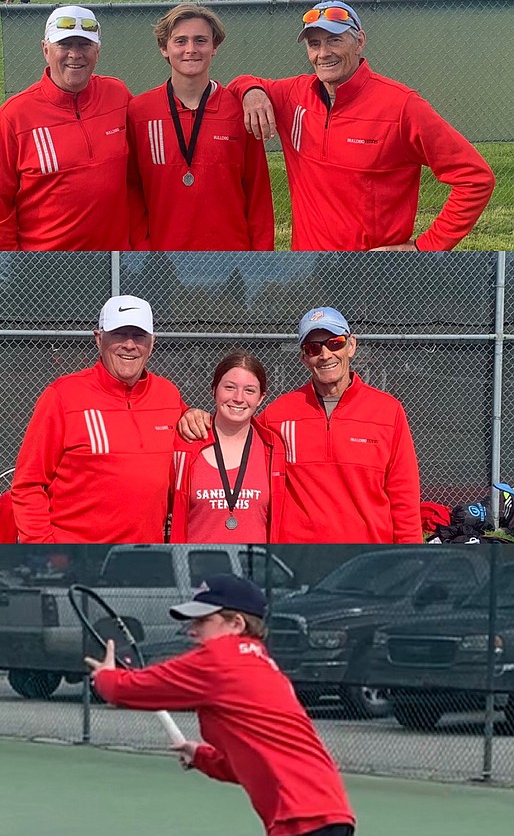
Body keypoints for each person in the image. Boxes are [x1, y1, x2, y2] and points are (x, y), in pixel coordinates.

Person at [87, 574, 356, 836]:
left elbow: (123, 690)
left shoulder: (219, 659)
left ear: (237, 623)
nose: (192, 629)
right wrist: (201, 756)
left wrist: (104, 676)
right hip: (324, 811)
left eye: (203, 620)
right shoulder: (262, 665)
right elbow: (249, 762)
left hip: (302, 817)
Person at [232, 0, 495, 250]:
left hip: (374, 273)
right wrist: (252, 92)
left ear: (359, 42)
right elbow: (240, 82)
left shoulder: (401, 106)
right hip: (310, 264)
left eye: (335, 40)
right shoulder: (293, 95)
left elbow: (476, 178)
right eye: (314, 44)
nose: (323, 53)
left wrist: (425, 248)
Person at [180, 307, 423, 544]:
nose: (325, 354)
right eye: (313, 348)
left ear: (351, 346)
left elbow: (405, 500)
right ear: (304, 357)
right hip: (297, 563)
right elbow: (234, 433)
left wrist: (412, 561)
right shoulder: (277, 415)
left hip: (365, 564)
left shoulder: (388, 412)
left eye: (335, 342)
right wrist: (193, 415)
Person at [11, 295, 186, 542]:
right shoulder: (62, 396)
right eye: (119, 333)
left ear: (152, 343)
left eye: (139, 336)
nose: (129, 344)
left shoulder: (168, 394)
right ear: (98, 339)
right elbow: (28, 485)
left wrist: (192, 413)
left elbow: (190, 424)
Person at [0, 5, 131, 250]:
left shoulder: (118, 95)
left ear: (98, 51)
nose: (75, 54)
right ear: (45, 50)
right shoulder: (14, 116)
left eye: (84, 45)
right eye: (64, 45)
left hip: (116, 262)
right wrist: (6, 267)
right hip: (46, 269)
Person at [126, 4, 273, 250]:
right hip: (162, 259)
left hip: (231, 256)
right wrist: (143, 249)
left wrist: (260, 256)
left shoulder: (239, 111)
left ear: (214, 47)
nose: (191, 50)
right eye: (180, 41)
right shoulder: (139, 112)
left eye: (201, 40)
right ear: (164, 48)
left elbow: (258, 194)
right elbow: (132, 191)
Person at [168, 352, 285, 543]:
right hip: (196, 568)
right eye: (230, 387)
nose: (238, 398)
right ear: (214, 390)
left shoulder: (273, 449)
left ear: (261, 398)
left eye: (249, 390)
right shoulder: (185, 445)